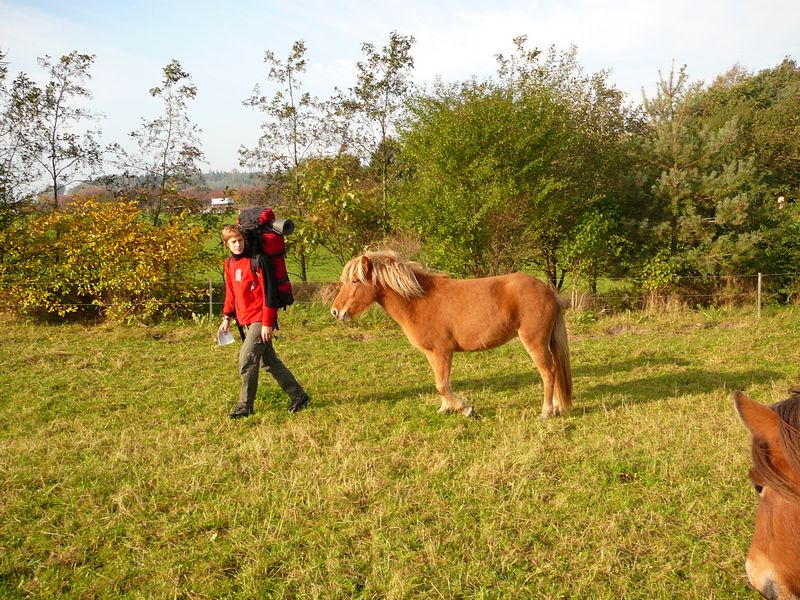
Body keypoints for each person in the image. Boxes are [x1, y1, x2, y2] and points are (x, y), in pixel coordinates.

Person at [218, 224, 309, 418]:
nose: (237, 245)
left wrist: (268, 323)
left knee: (247, 360)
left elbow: (270, 295)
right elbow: (231, 293)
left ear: (245, 240)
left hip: (261, 319)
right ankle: (299, 395)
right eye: (233, 242)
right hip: (247, 320)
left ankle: (244, 406)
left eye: (240, 240)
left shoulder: (259, 261)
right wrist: (227, 317)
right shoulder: (229, 264)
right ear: (227, 244)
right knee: (269, 362)